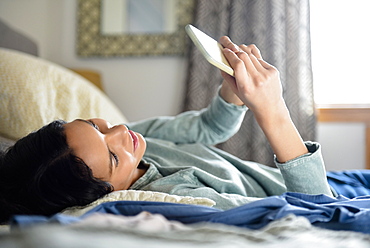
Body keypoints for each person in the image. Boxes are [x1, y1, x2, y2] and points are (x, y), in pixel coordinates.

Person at [0, 37, 333, 223]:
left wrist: (233, 94)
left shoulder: (135, 140)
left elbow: (208, 127)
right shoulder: (179, 200)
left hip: (301, 178)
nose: (118, 131)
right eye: (114, 157)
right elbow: (318, 209)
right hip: (304, 188)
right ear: (106, 192)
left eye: (95, 126)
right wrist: (273, 111)